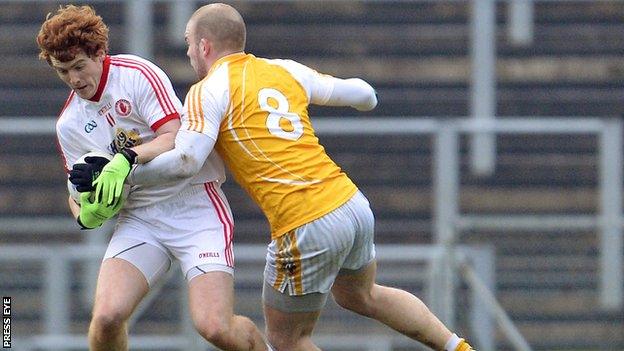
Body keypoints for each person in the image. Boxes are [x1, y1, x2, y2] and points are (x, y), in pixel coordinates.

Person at [93, 3, 476, 351]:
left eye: (190, 44)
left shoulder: (207, 89)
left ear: (205, 46)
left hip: (304, 221)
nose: (190, 52)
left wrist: (125, 172)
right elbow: (363, 94)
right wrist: (362, 98)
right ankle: (456, 347)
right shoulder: (282, 69)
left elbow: (186, 161)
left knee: (286, 340)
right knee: (362, 296)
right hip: (351, 204)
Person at [36, 5, 268, 351]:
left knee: (215, 327)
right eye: (63, 71)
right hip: (141, 217)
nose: (74, 79)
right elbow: (76, 191)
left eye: (79, 66)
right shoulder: (69, 123)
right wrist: (87, 213)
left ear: (100, 52)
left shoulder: (137, 73)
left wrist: (125, 159)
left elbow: (175, 135)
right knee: (106, 319)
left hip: (194, 206)